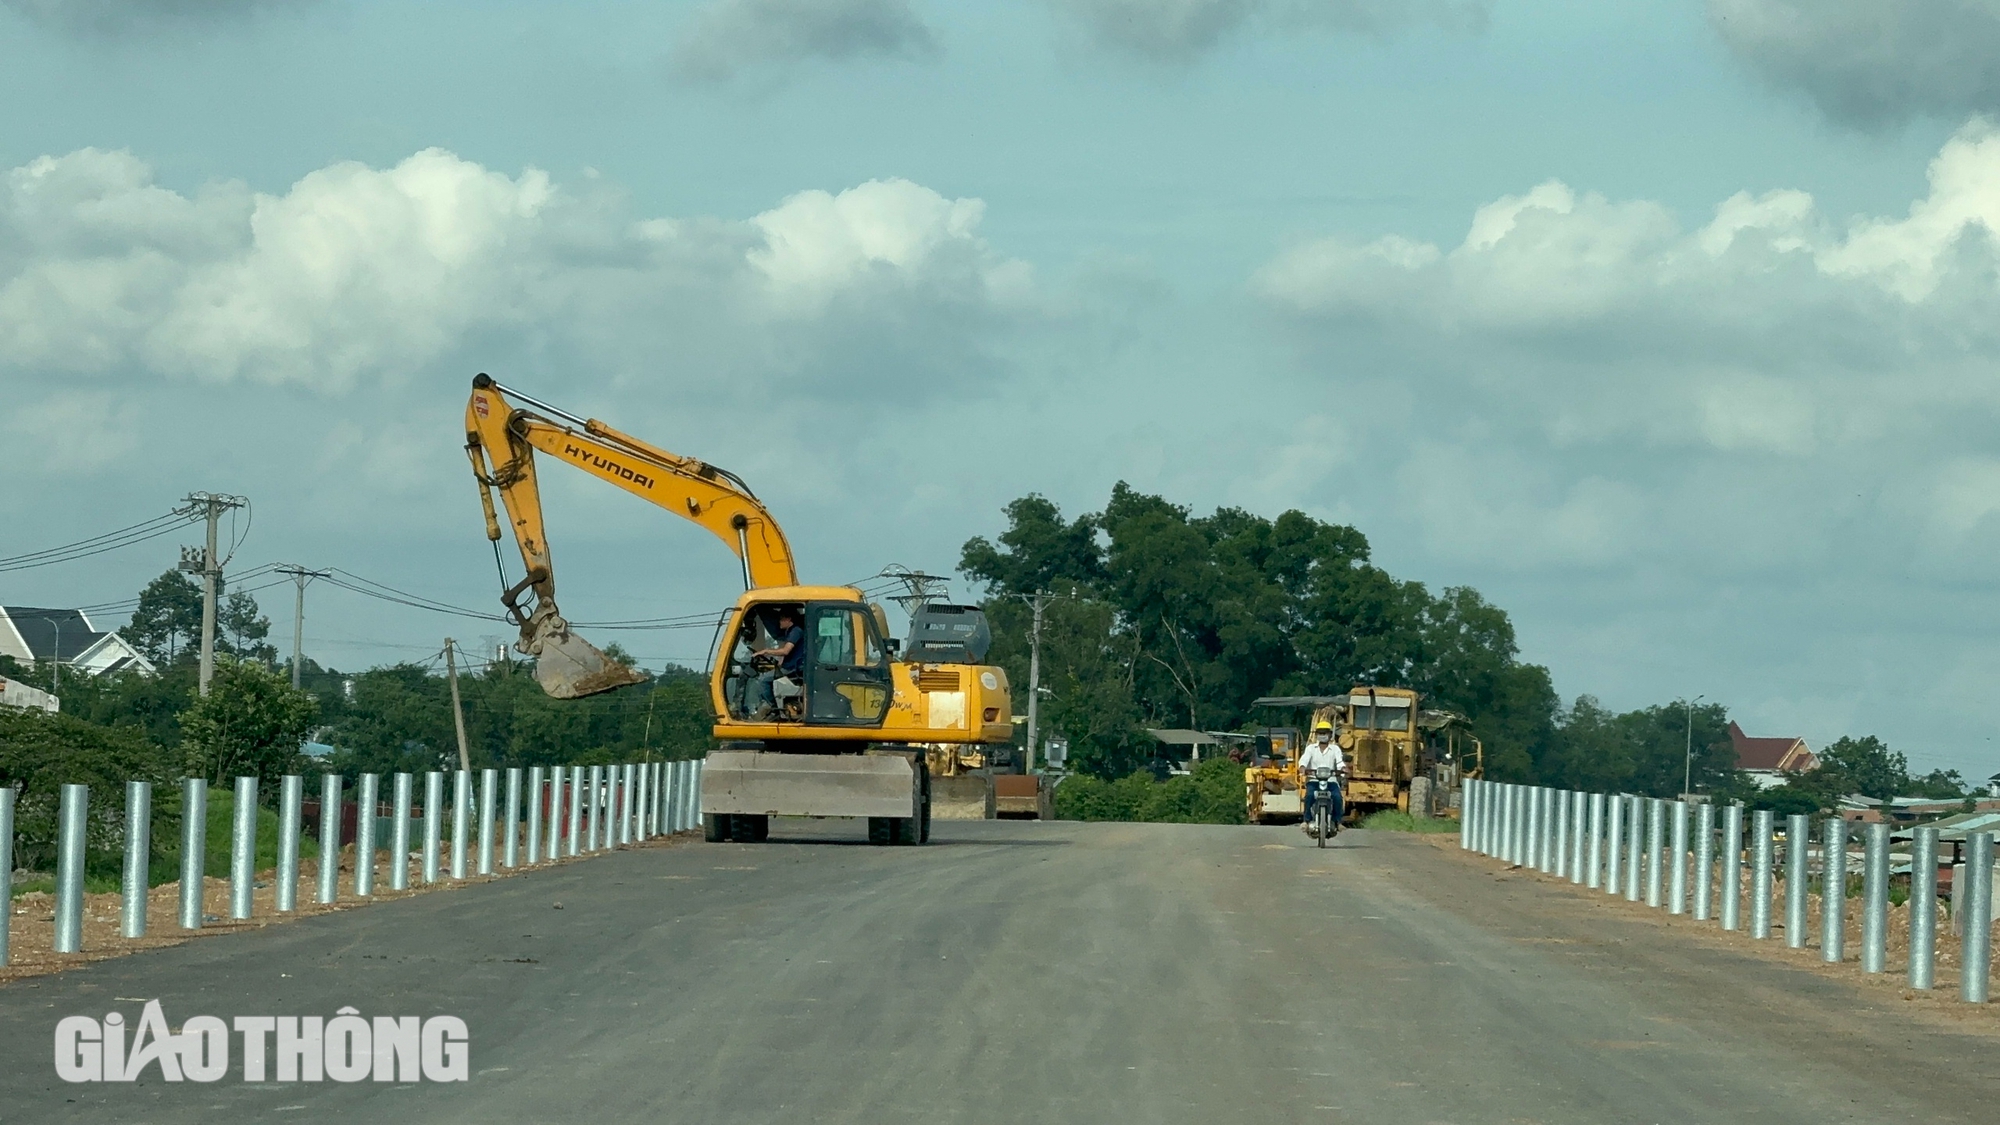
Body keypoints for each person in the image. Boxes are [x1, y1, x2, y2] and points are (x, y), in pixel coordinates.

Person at [746, 607, 806, 719]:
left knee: (763, 680)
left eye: (781, 619)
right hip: (790, 665)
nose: (779, 622)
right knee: (769, 676)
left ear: (788, 619)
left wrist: (766, 651)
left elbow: (785, 651)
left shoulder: (795, 631)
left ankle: (773, 708)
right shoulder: (791, 632)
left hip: (793, 667)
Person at [1297, 719, 1345, 836]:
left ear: (1330, 734)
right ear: (1316, 735)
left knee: (1337, 797)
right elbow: (1304, 760)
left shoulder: (1335, 749)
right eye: (1320, 733)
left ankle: (1337, 821)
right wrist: (1303, 767)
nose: (1322, 735)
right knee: (1309, 796)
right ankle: (1306, 820)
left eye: (1325, 733)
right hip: (1314, 780)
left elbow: (1339, 762)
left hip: (1331, 781)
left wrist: (1343, 769)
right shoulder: (1310, 748)